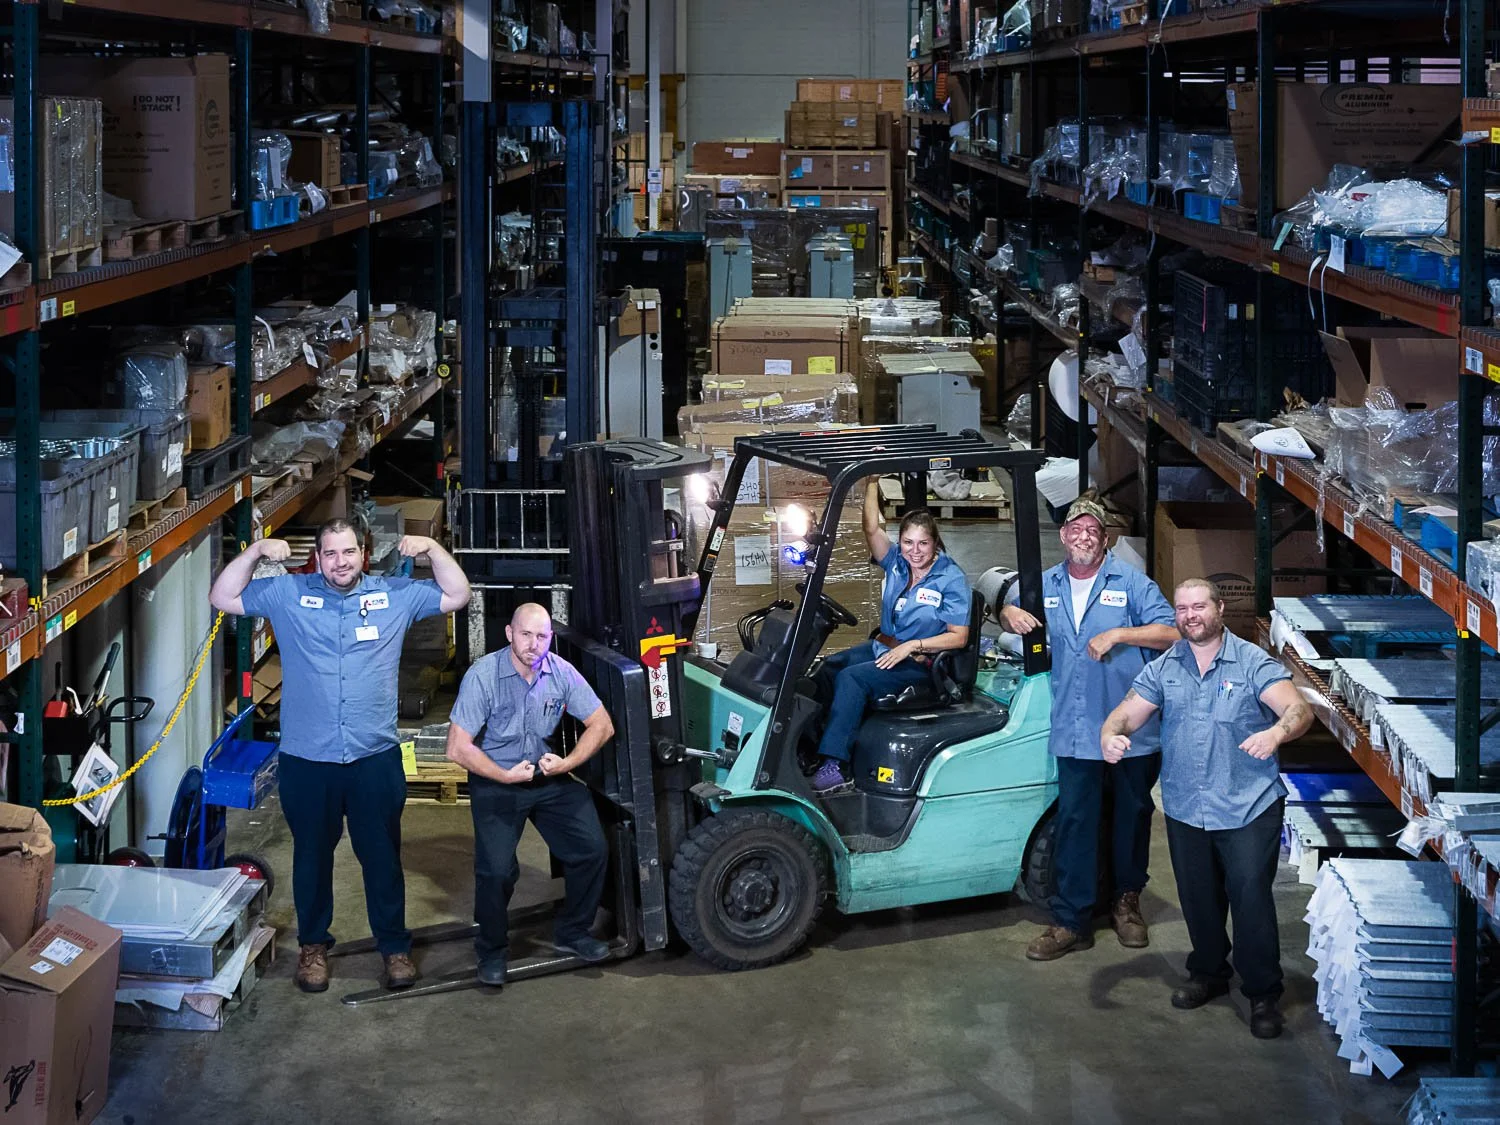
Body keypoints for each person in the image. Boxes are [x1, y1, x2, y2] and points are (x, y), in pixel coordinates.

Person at [209, 519, 470, 993]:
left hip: (374, 756)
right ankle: (313, 947)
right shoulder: (287, 593)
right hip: (308, 759)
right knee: (311, 857)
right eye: (331, 554)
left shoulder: (394, 594)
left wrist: (431, 546)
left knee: (382, 857)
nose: (340, 562)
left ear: (363, 554)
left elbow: (458, 595)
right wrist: (253, 553)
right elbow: (223, 598)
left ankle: (393, 946)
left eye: (349, 552)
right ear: (318, 558)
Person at [1099, 578, 1313, 1040]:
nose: (1190, 615)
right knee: (1198, 897)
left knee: (1249, 898)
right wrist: (1110, 734)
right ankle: (1210, 973)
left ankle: (1262, 993)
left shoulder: (1251, 661)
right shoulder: (1165, 666)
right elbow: (1126, 712)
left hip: (1247, 805)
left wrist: (1275, 734)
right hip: (1185, 804)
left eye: (1199, 606)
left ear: (1219, 608)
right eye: (1181, 608)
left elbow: (1298, 711)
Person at [998, 495, 1180, 961]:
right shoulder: (1045, 585)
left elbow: (1172, 633)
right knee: (1076, 823)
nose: (1083, 536)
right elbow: (1010, 612)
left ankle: (1126, 904)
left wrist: (1121, 634)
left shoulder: (1131, 583)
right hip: (1077, 730)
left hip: (1130, 730)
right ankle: (1070, 920)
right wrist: (1008, 614)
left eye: (1092, 531)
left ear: (1104, 540)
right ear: (1063, 536)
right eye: (1075, 528)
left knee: (1130, 818)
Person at [446, 603, 616, 987]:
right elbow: (457, 748)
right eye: (525, 634)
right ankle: (491, 950)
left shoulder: (560, 672)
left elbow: (601, 725)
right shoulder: (484, 676)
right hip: (497, 779)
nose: (533, 644)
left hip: (545, 776)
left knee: (591, 849)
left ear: (550, 639)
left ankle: (572, 931)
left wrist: (568, 763)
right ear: (509, 633)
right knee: (496, 870)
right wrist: (503, 776)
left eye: (542, 636)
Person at [811, 477, 971, 796]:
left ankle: (836, 766)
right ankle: (824, 745)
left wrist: (914, 645)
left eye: (922, 543)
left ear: (935, 543)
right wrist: (871, 481)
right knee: (828, 669)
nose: (914, 551)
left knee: (853, 679)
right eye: (908, 542)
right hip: (883, 648)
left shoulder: (950, 579)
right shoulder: (897, 560)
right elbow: (871, 528)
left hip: (918, 662)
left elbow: (959, 637)